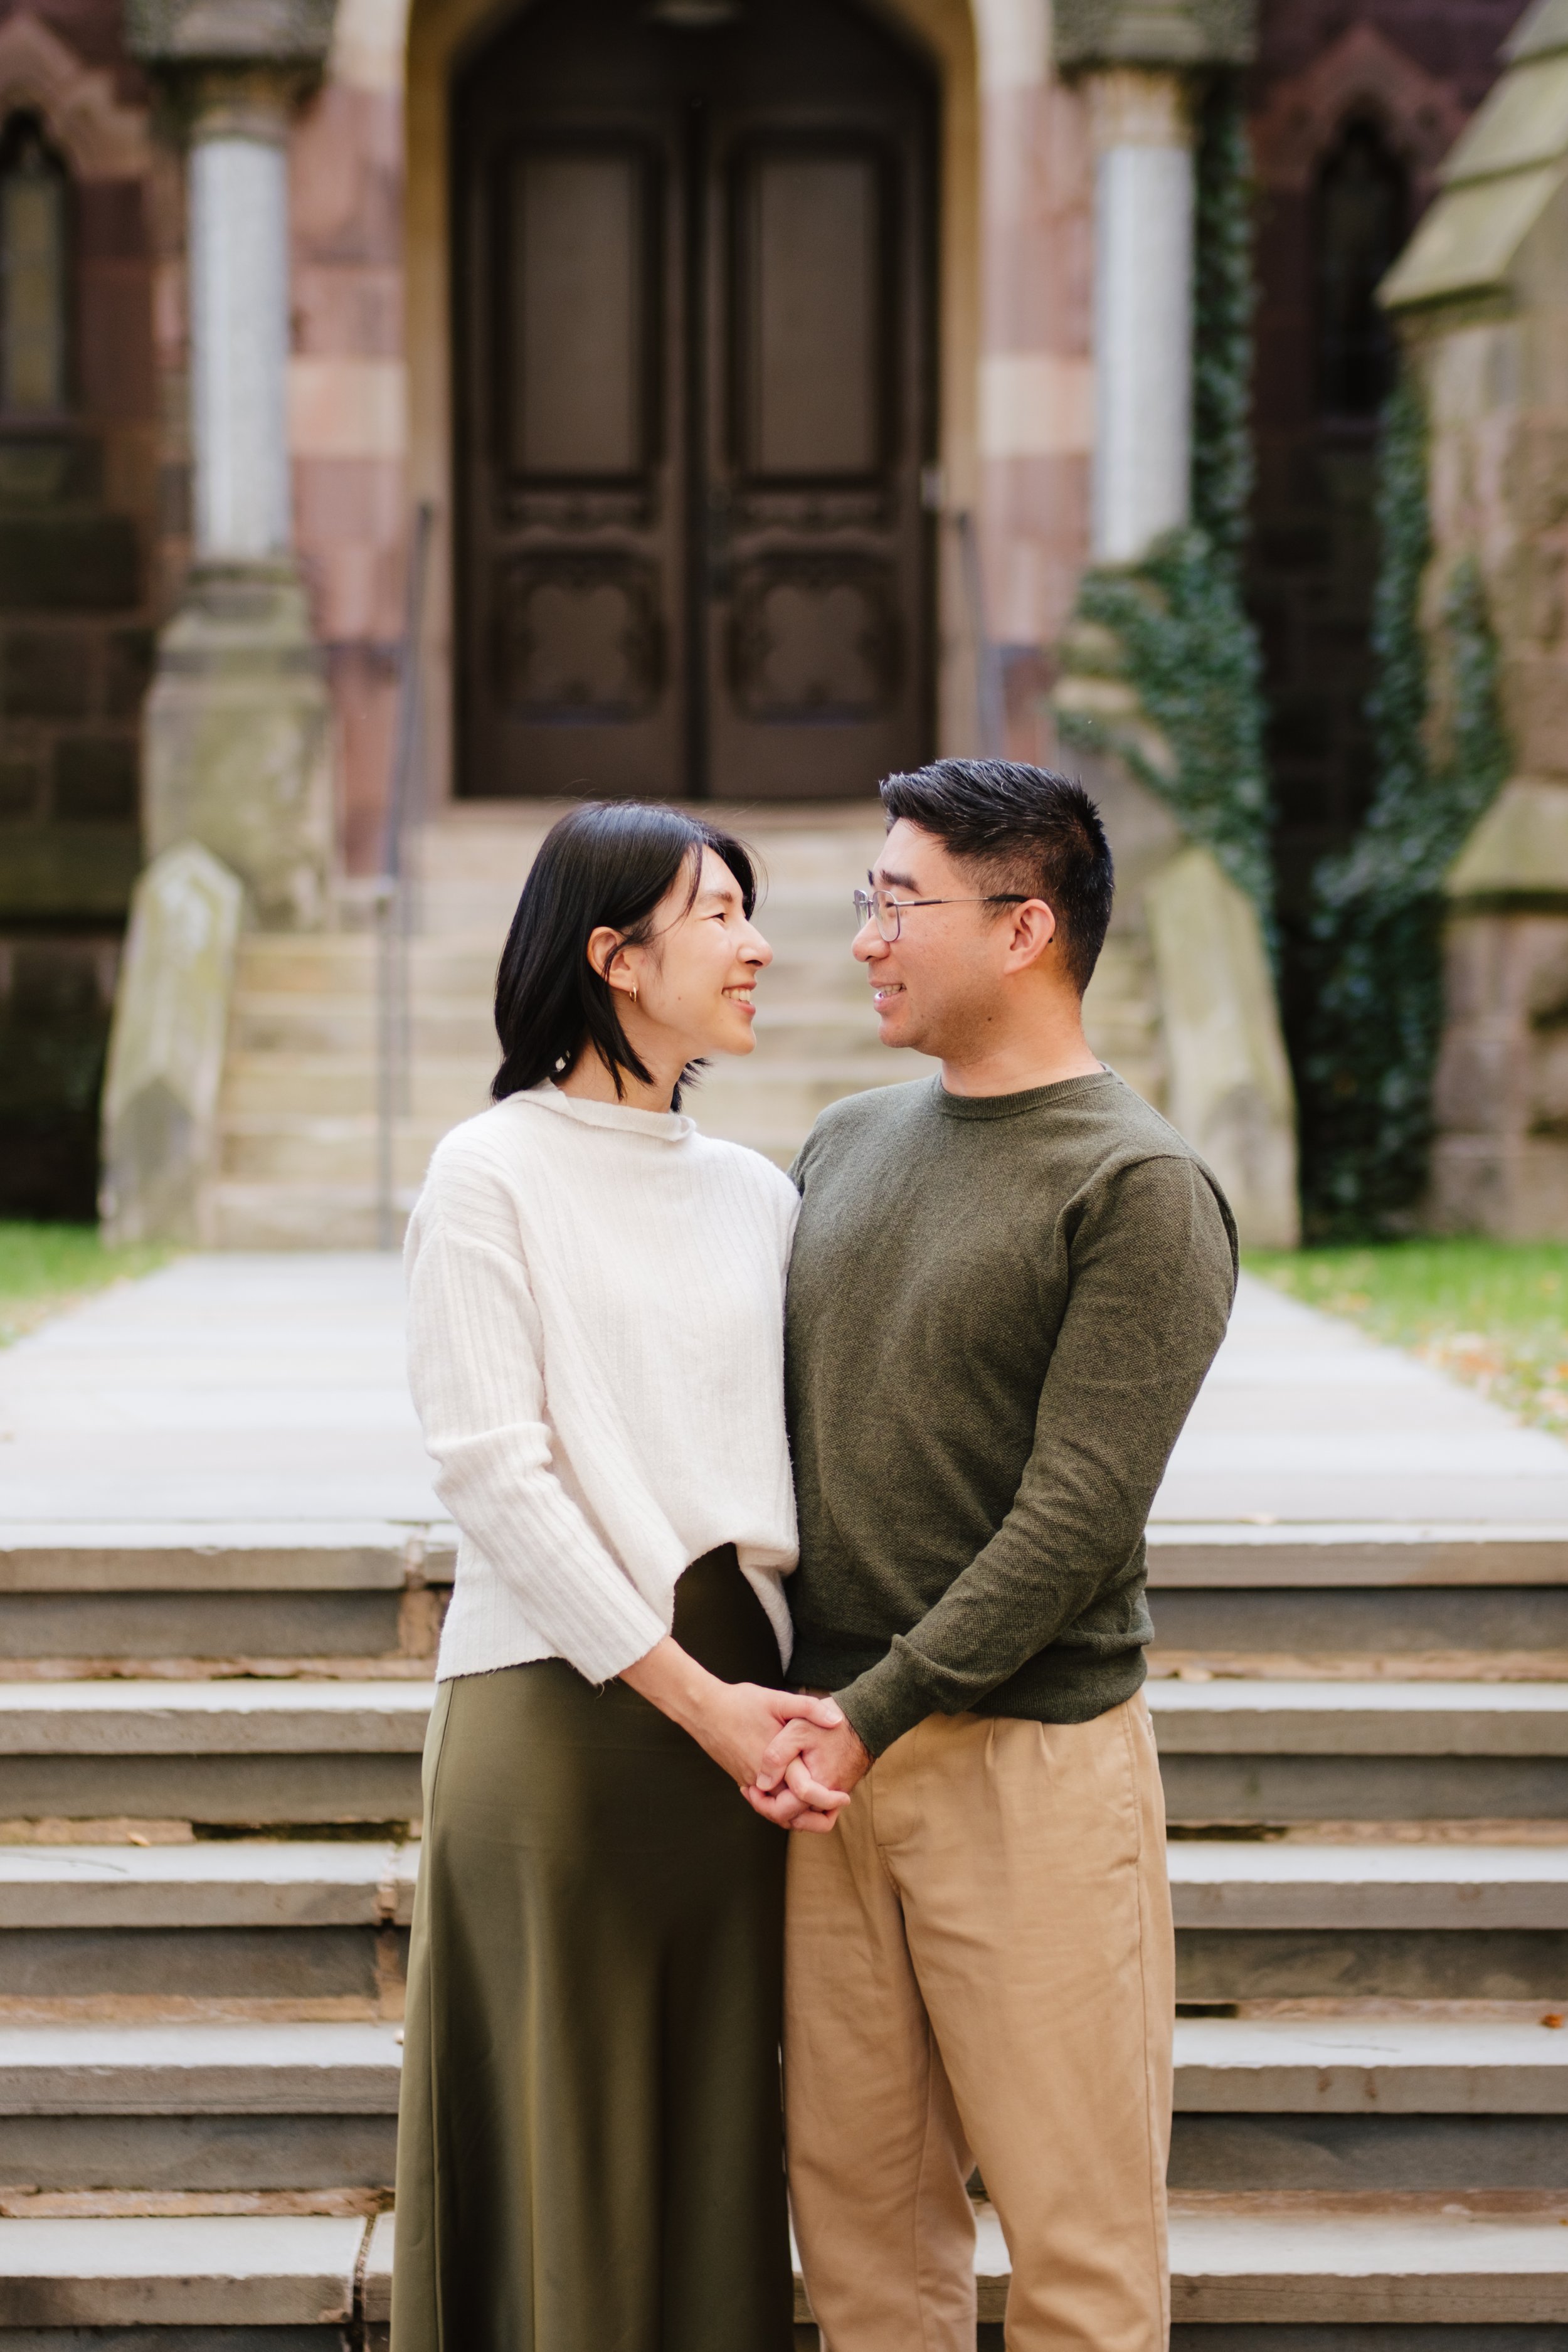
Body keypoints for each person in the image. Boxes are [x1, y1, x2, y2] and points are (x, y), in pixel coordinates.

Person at [751, 759, 1238, 2352]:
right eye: (866, 902)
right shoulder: (842, 1142)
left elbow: (1074, 1518)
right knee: (863, 2255)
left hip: (1025, 1768)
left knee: (1078, 2253)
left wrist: (872, 1709)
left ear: (1025, 925)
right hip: (834, 1774)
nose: (864, 941)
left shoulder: (1137, 1186)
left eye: (900, 904)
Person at [391, 800, 845, 2352]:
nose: (759, 943)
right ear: (613, 957)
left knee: (716, 2140)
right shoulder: (486, 1173)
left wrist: (763, 1708)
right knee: (565, 2146)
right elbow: (493, 1473)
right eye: (718, 911)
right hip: (567, 1714)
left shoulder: (755, 1193)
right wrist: (695, 1700)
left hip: (739, 1717)